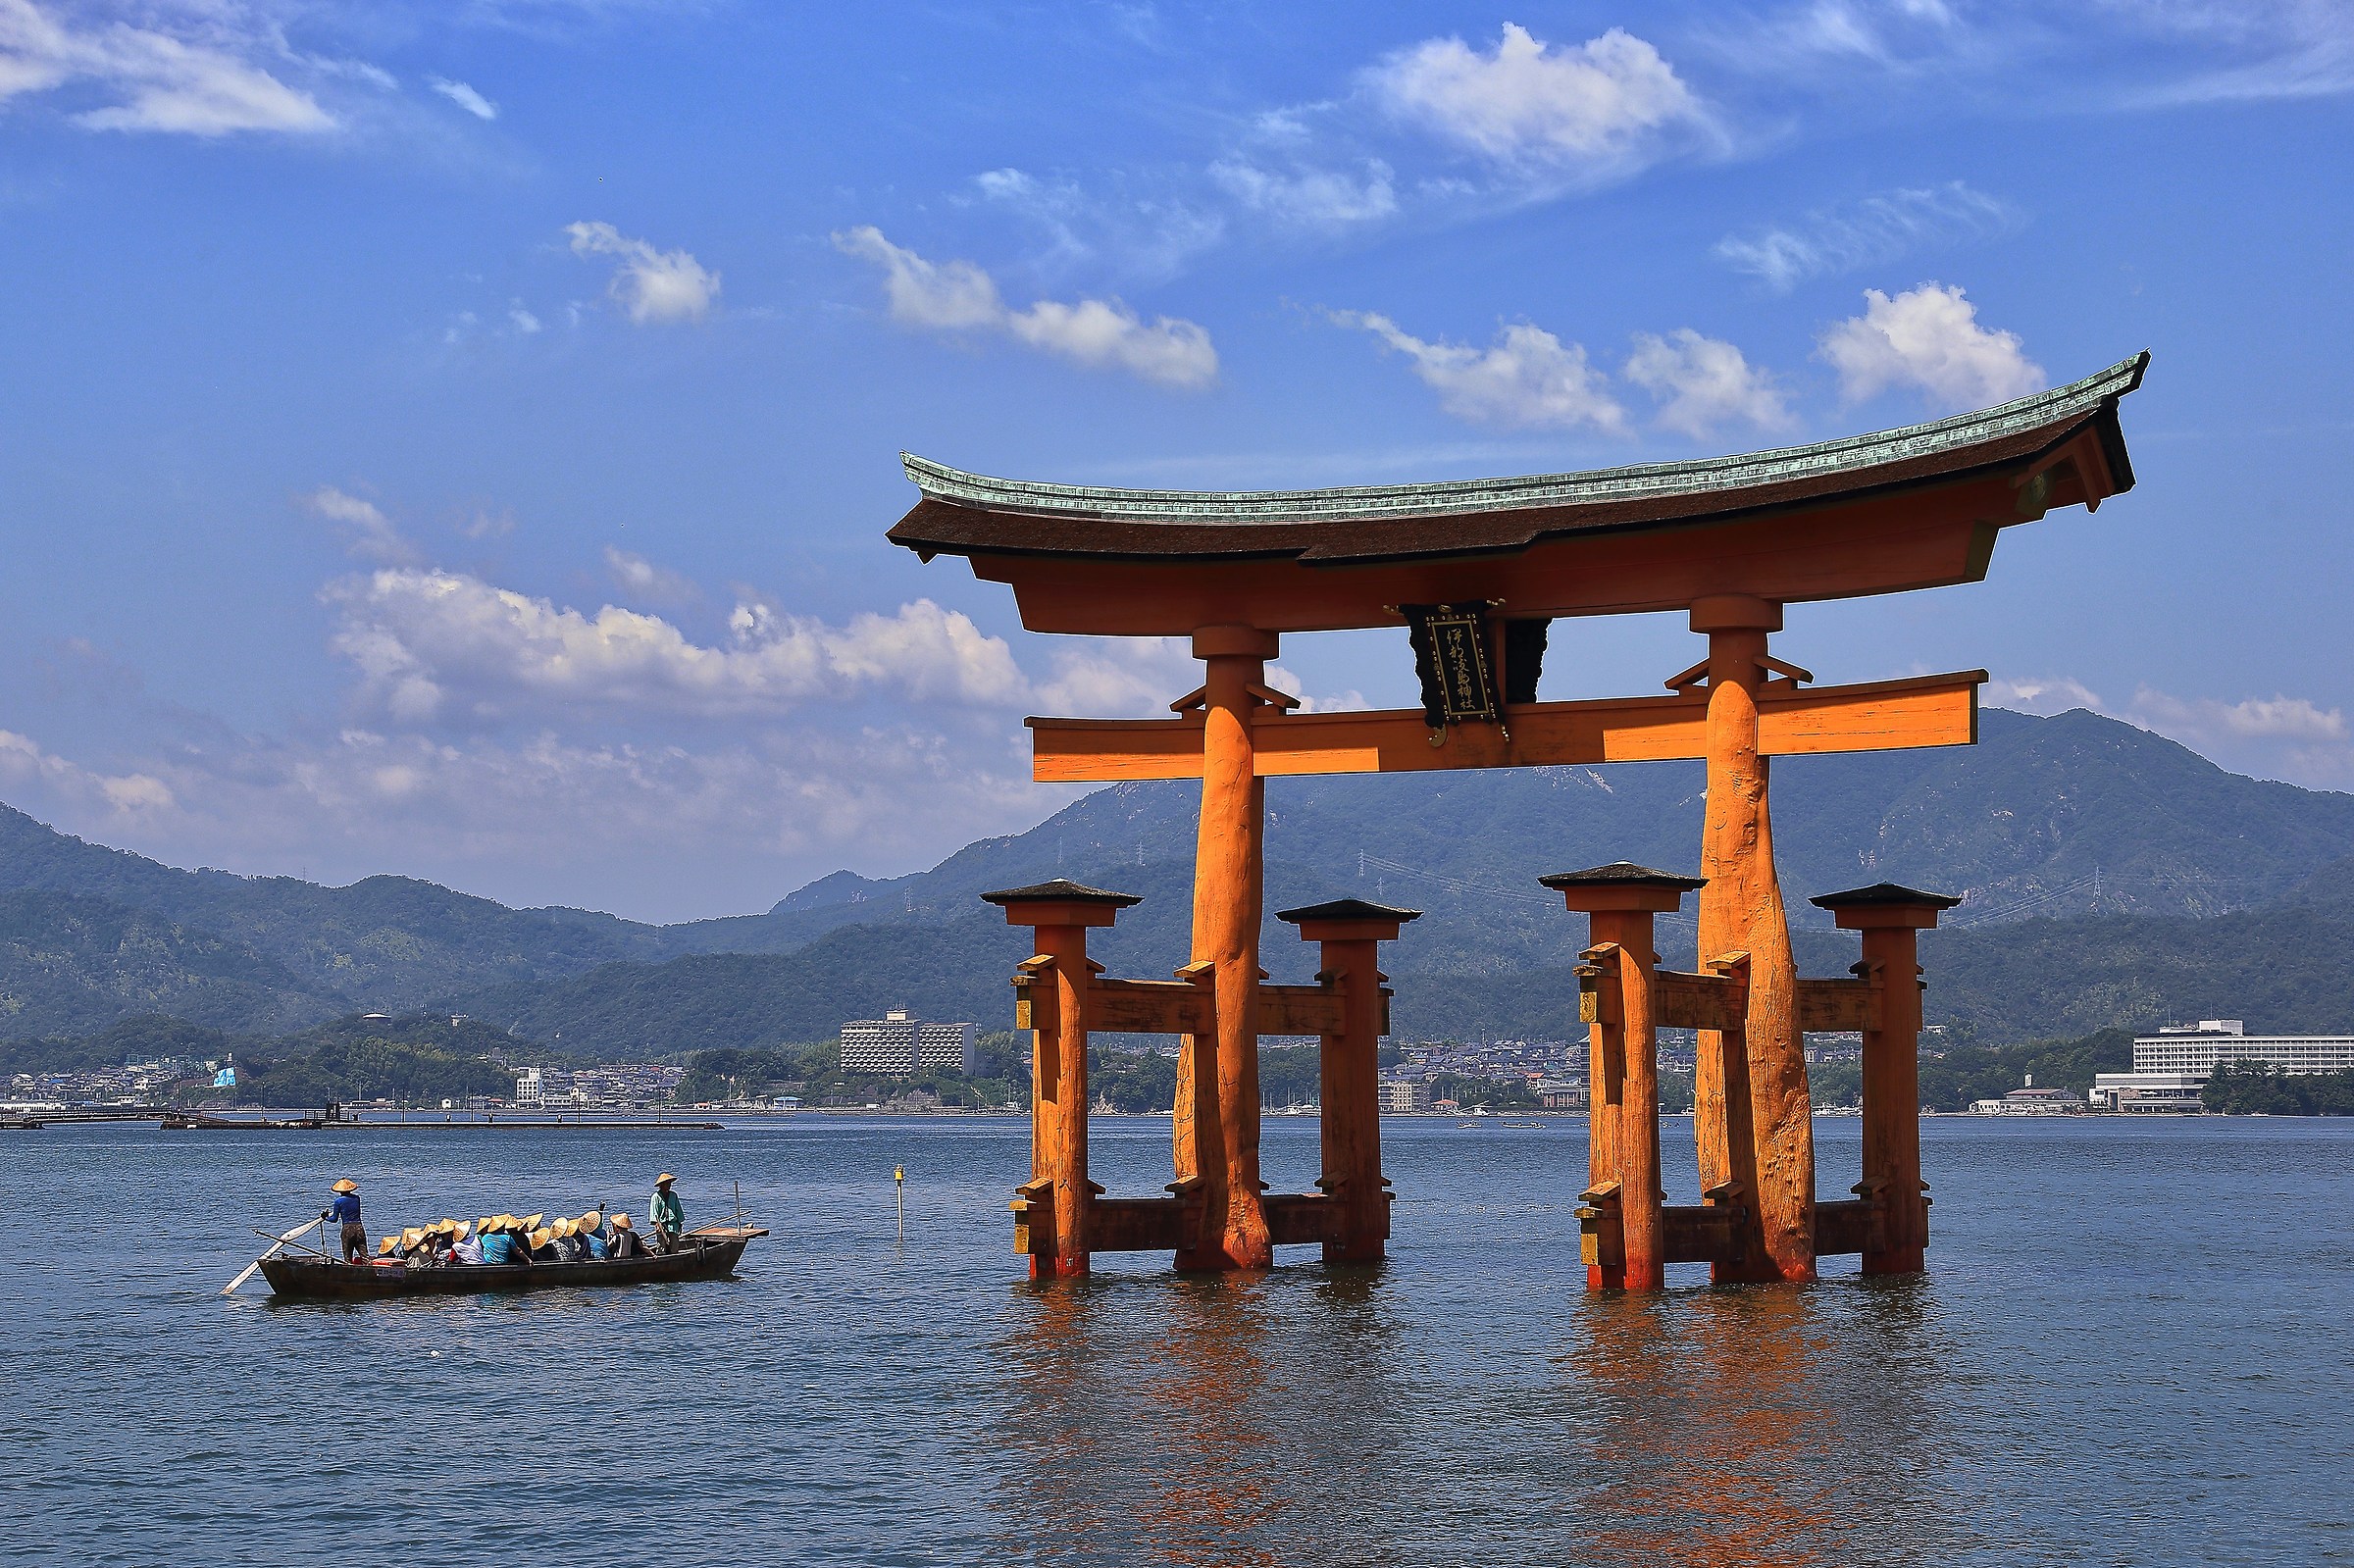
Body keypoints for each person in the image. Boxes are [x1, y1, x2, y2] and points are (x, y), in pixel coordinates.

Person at [323, 1179, 365, 1262]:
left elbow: (334, 1219)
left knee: (347, 1256)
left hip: (347, 1228)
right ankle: (369, 1267)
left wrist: (325, 1217)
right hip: (359, 1227)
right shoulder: (357, 1198)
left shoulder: (338, 1201)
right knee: (364, 1254)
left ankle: (348, 1268)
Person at [648, 1173, 684, 1252]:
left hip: (673, 1224)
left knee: (674, 1245)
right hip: (661, 1225)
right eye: (667, 1183)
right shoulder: (656, 1197)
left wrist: (680, 1222)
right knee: (661, 1245)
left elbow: (678, 1209)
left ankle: (674, 1256)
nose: (669, 1185)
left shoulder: (673, 1195)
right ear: (661, 1185)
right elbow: (654, 1212)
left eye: (669, 1183)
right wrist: (657, 1224)